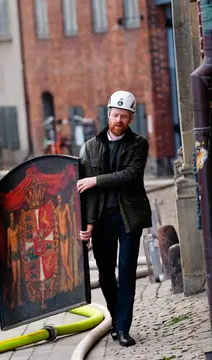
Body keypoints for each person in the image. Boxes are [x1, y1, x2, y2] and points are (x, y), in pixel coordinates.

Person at [76, 90, 152, 347]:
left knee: (127, 272)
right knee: (107, 275)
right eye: (115, 114)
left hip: (128, 216)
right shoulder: (90, 147)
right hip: (101, 220)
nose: (119, 120)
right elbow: (84, 194)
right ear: (108, 114)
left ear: (131, 118)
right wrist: (86, 226)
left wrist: (96, 180)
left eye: (125, 116)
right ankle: (116, 317)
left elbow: (130, 175)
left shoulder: (138, 144)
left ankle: (122, 328)